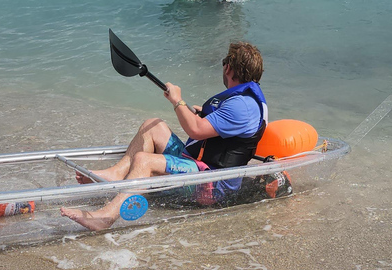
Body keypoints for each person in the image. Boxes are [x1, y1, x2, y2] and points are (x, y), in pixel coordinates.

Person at [61, 41, 268, 231]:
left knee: (144, 161)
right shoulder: (243, 100)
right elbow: (214, 127)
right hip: (199, 167)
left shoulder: (242, 105)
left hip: (213, 184)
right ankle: (118, 173)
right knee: (153, 125)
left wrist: (177, 101)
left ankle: (104, 218)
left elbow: (196, 130)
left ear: (228, 68)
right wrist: (195, 112)